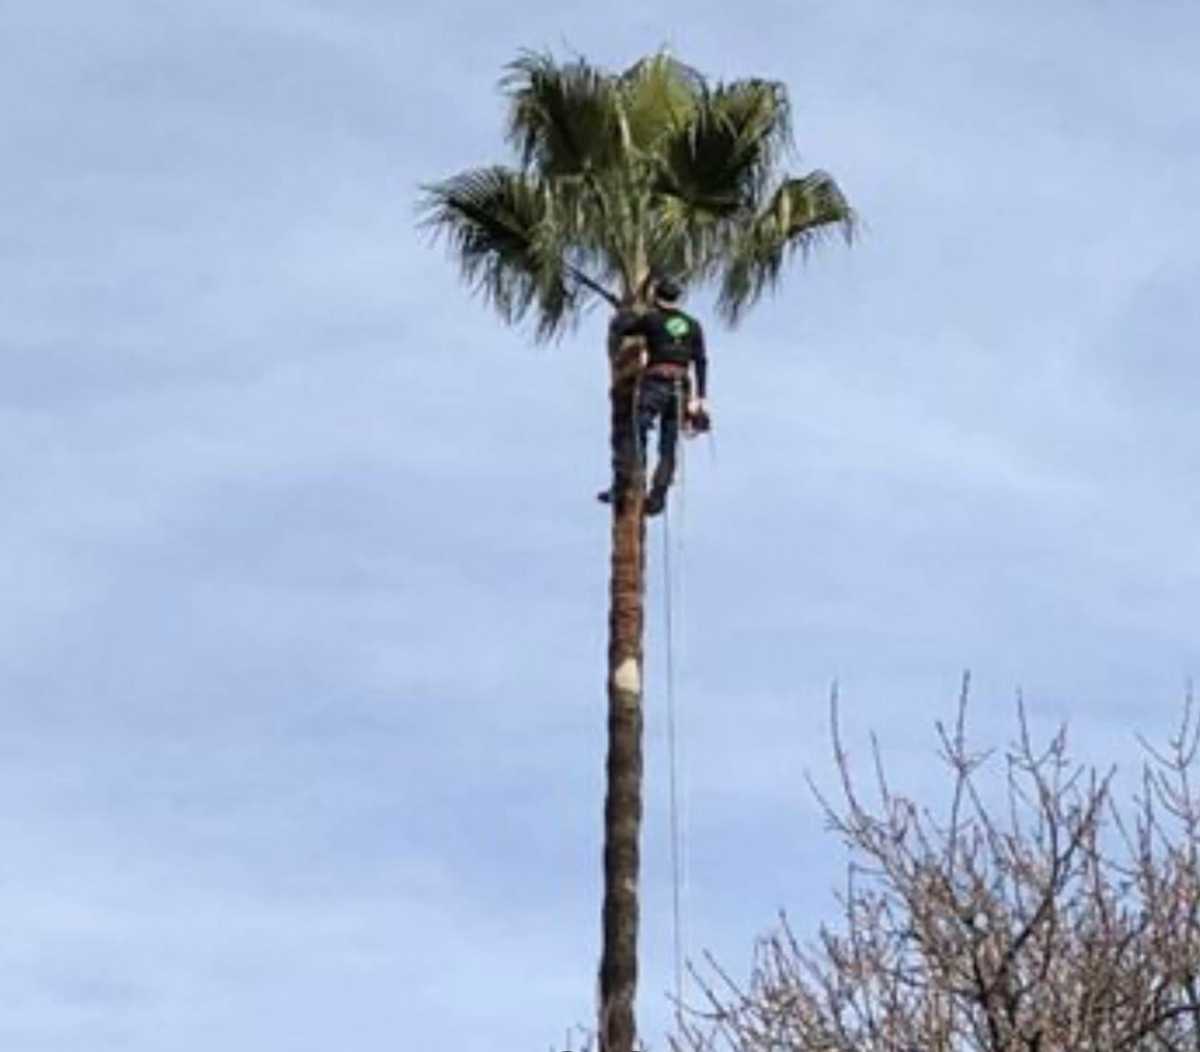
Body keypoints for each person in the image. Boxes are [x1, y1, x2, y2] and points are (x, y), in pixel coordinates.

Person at [600, 277, 709, 517]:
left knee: (635, 429)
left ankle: (624, 484)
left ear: (656, 297)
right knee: (668, 445)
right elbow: (701, 361)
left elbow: (623, 328)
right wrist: (701, 398)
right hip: (681, 388)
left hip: (656, 383)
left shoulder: (652, 319)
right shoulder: (693, 325)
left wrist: (625, 310)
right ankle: (658, 496)